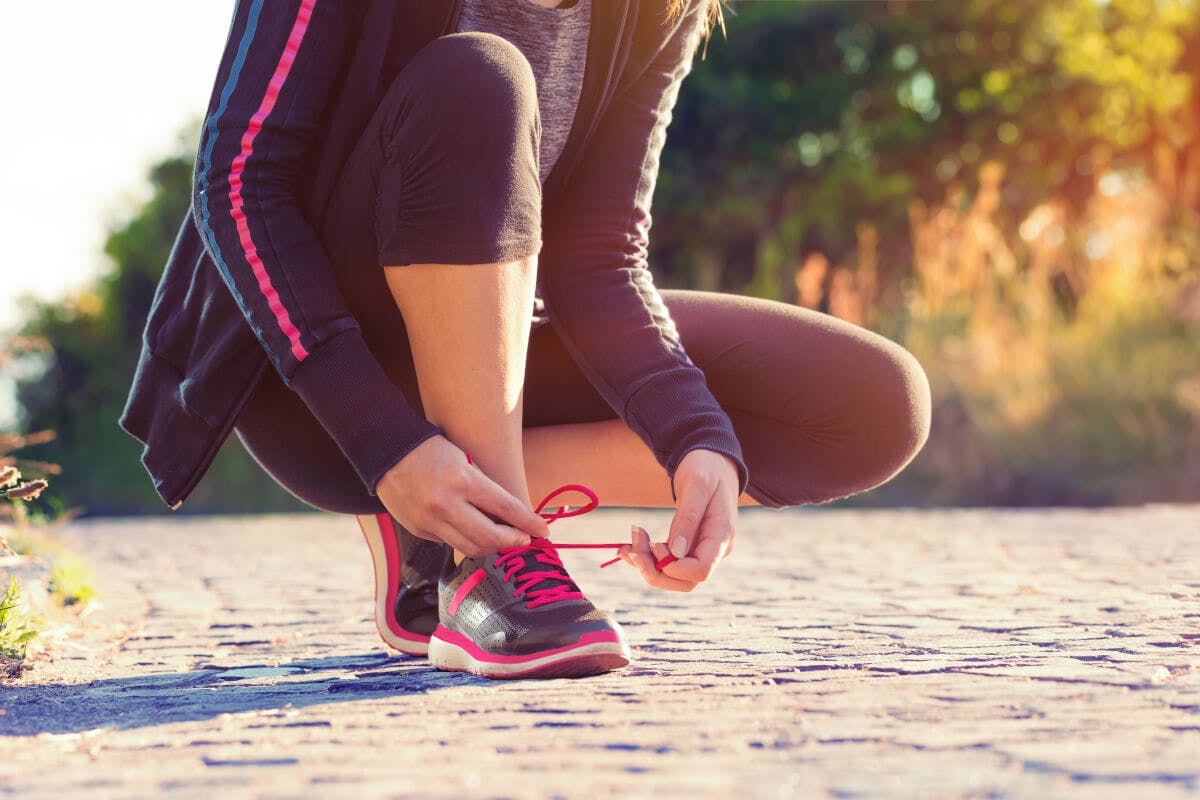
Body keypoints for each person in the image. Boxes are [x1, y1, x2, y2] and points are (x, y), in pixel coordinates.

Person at [121, 0, 931, 680]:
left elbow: (596, 258)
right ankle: (488, 570)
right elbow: (236, 184)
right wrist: (382, 438)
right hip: (320, 391)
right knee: (480, 76)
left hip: (494, 342)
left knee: (872, 404)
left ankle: (456, 514)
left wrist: (692, 437)